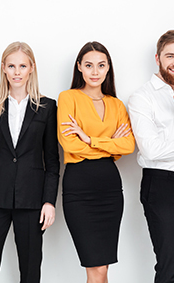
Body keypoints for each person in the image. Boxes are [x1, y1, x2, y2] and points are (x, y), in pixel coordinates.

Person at [0, 41, 59, 283]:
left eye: (22, 66)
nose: (17, 72)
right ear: (3, 68)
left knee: (31, 271)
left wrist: (49, 201)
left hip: (32, 201)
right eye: (11, 66)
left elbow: (52, 160)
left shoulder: (47, 107)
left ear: (31, 68)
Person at [57, 41, 135, 283]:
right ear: (79, 67)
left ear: (108, 68)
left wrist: (89, 139)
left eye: (101, 65)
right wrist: (109, 144)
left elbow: (128, 146)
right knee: (96, 268)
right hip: (79, 189)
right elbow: (70, 145)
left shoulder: (116, 104)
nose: (95, 71)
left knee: (103, 268)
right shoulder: (68, 98)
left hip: (110, 191)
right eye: (89, 65)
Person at [128, 30, 174, 283]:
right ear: (158, 58)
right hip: (161, 185)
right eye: (170, 55)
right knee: (170, 266)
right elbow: (150, 149)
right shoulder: (142, 97)